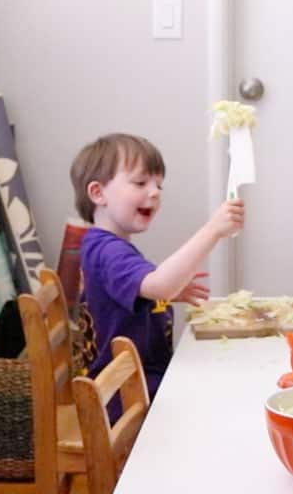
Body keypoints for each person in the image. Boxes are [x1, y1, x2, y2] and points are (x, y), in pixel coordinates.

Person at [70, 133, 245, 403]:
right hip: (130, 396)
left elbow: (129, 291)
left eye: (158, 186)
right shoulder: (110, 251)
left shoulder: (101, 244)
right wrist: (213, 230)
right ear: (98, 193)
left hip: (136, 384)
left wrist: (161, 294)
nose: (153, 192)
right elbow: (159, 283)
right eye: (140, 182)